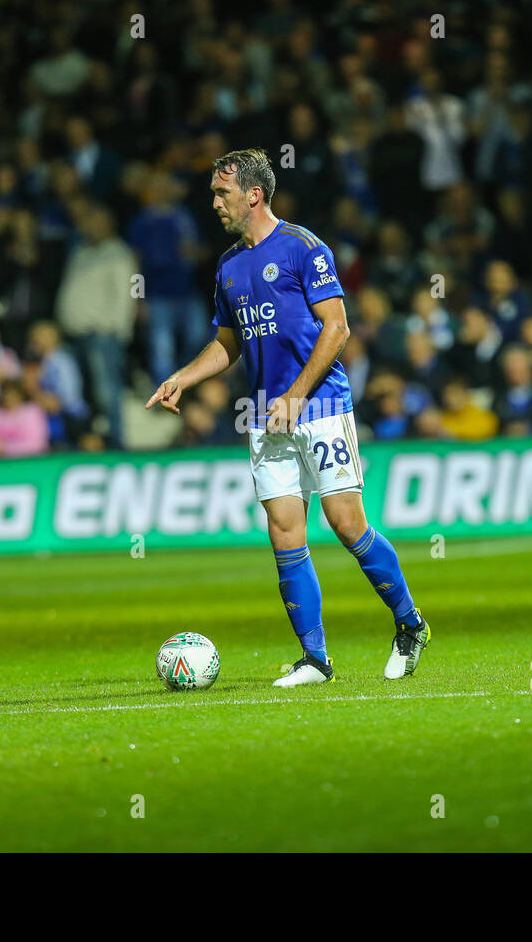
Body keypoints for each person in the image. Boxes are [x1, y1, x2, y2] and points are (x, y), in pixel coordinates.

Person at [146, 148, 430, 686]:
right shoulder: (229, 266)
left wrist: (297, 394)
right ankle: (316, 659)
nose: (214, 204)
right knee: (284, 533)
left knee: (347, 525)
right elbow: (227, 344)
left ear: (253, 194)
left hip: (320, 406)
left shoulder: (303, 247)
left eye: (221, 193)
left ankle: (410, 624)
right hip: (263, 415)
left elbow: (338, 327)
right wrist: (184, 376)